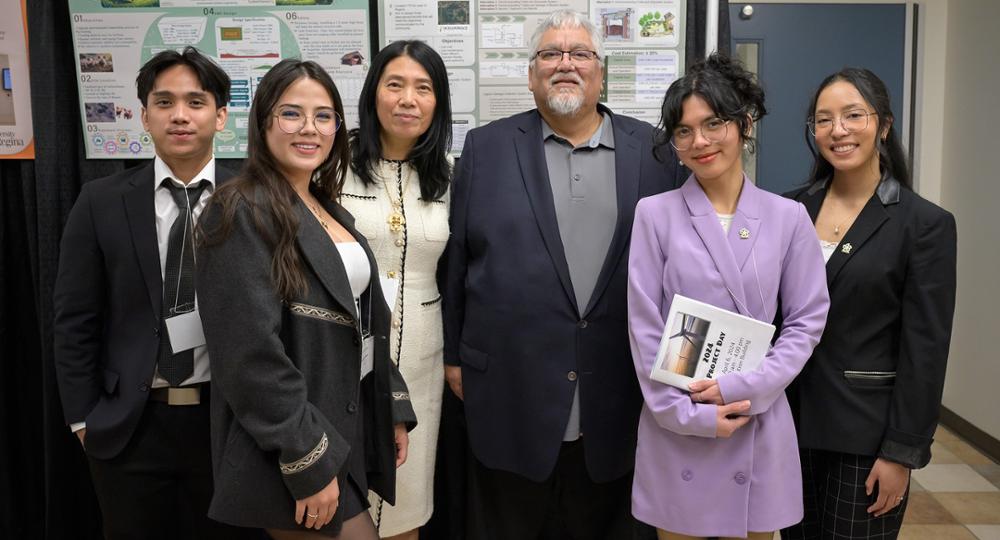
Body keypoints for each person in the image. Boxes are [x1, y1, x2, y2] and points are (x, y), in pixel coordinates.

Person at [442, 10, 687, 539]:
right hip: (510, 394)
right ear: (531, 74)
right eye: (550, 54)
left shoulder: (655, 153)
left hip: (620, 396)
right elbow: (457, 262)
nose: (565, 65)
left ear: (601, 73)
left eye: (580, 54)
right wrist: (453, 356)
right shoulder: (485, 149)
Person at [195, 59, 417, 540]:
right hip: (293, 444)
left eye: (324, 116)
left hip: (343, 427)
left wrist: (391, 406)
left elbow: (363, 320)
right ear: (263, 121)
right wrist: (306, 459)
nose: (309, 129)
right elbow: (249, 357)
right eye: (292, 113)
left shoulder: (326, 207)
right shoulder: (237, 212)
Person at [626, 53, 830, 540]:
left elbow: (806, 322)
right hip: (679, 423)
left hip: (755, 417)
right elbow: (644, 327)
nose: (699, 141)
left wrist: (747, 388)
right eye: (683, 130)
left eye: (713, 123)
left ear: (743, 123)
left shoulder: (788, 218)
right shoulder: (654, 214)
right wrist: (685, 414)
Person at [53, 47, 253, 539]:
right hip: (130, 429)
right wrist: (84, 420)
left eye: (195, 101)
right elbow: (75, 320)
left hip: (227, 426)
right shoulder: (100, 202)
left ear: (221, 115)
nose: (180, 115)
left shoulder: (254, 199)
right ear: (144, 115)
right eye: (164, 103)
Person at [781, 68, 957, 540]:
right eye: (823, 119)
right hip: (787, 426)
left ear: (883, 125)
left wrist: (902, 452)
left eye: (853, 115)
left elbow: (926, 350)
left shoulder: (923, 225)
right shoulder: (789, 210)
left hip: (866, 436)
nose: (837, 130)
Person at [339, 40, 452, 540]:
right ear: (373, 93)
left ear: (437, 103)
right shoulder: (332, 165)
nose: (408, 99)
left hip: (424, 356)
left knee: (407, 503)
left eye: (423, 88)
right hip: (346, 356)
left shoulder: (451, 178)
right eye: (395, 84)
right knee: (343, 504)